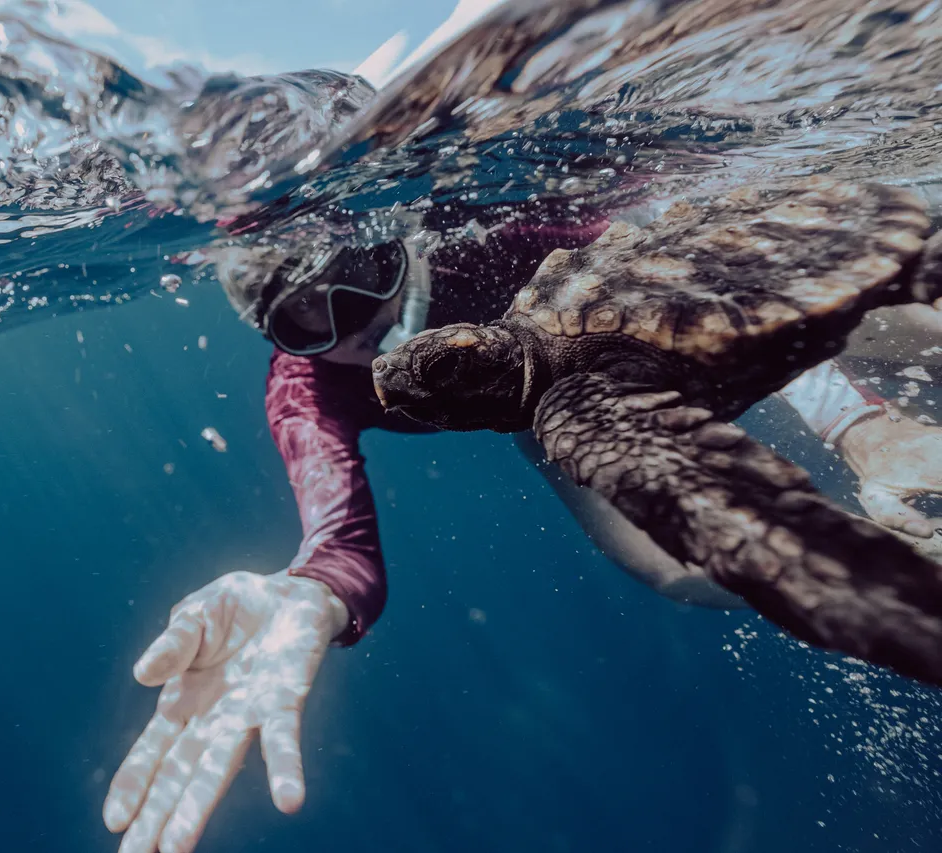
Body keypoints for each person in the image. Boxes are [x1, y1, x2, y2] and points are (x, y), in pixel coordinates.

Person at [101, 207, 942, 853]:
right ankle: (905, 563)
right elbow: (338, 541)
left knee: (897, 319)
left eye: (363, 272)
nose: (355, 320)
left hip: (649, 313)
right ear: (278, 341)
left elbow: (734, 287)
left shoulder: (500, 236)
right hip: (542, 398)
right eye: (306, 319)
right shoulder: (308, 391)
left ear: (395, 239)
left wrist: (860, 427)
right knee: (680, 569)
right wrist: (312, 593)